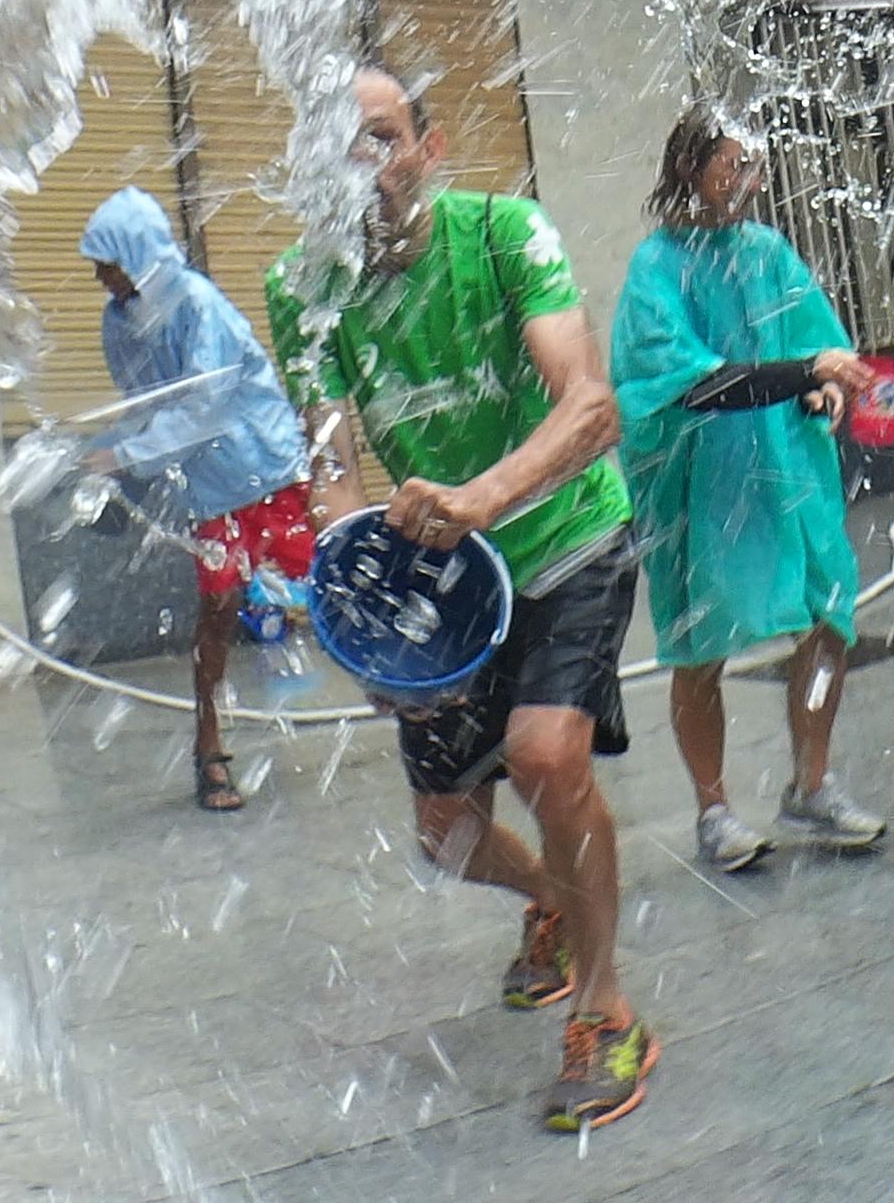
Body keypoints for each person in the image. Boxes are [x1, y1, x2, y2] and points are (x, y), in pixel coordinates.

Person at [268, 66, 657, 1136]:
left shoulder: (504, 236)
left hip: (565, 533)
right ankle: (554, 901)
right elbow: (333, 467)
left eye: (386, 139)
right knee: (446, 834)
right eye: (342, 149)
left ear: (430, 152)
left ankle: (606, 1006)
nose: (369, 166)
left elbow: (591, 407)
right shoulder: (304, 287)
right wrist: (364, 630)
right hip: (440, 579)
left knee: (544, 754)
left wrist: (484, 496)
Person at [607, 114, 889, 875]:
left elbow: (810, 341)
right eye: (732, 166)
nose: (747, 183)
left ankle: (813, 782)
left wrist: (825, 394)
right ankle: (714, 808)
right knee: (702, 646)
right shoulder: (655, 270)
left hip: (787, 472)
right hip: (702, 484)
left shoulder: (766, 251)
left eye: (754, 167)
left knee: (828, 618)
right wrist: (806, 373)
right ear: (689, 166)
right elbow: (693, 384)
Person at [77, 184, 313, 811]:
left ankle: (430, 699)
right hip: (212, 489)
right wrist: (109, 458)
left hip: (267, 469)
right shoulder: (118, 324)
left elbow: (206, 407)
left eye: (109, 261)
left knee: (331, 591)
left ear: (137, 255)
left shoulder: (198, 304)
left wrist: (126, 457)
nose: (100, 275)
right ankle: (209, 747)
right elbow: (141, 407)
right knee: (217, 609)